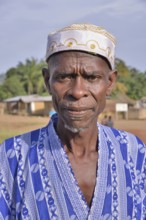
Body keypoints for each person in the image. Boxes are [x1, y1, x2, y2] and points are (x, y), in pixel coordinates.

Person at [0, 23, 145, 220]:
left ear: (110, 83)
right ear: (47, 81)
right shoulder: (12, 157)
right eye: (64, 77)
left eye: (92, 77)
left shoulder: (133, 152)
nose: (77, 91)